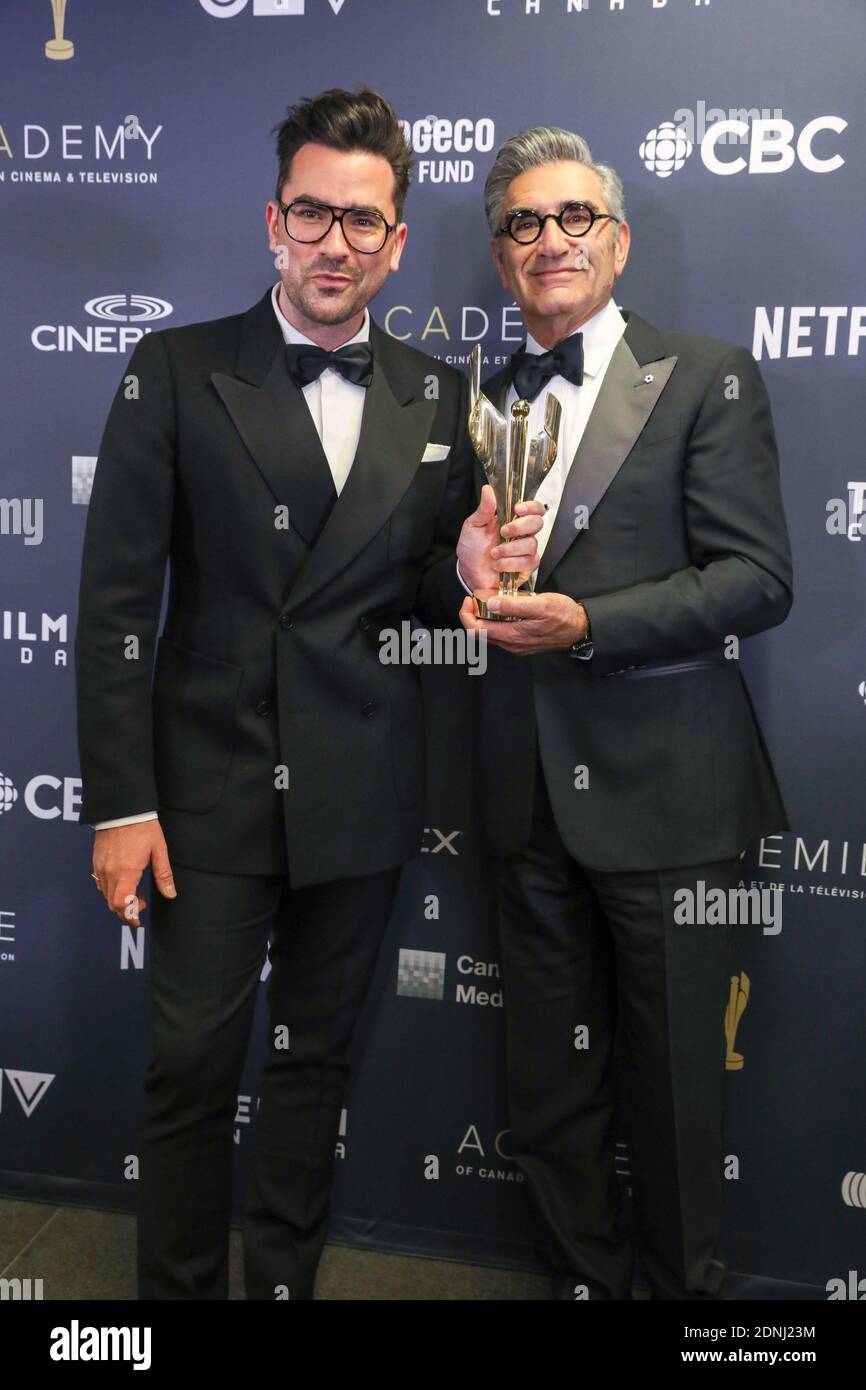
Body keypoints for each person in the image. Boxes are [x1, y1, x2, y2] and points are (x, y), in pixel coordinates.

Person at [74, 87, 539, 1301]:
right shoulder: (172, 370)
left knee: (313, 1066)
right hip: (207, 784)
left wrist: (467, 574)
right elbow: (118, 610)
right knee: (188, 1066)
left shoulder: (438, 398)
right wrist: (119, 802)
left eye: (363, 222)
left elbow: (429, 582)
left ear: (395, 239)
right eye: (312, 214)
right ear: (271, 223)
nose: (336, 242)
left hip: (358, 787)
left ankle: (278, 1281)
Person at [458, 126, 793, 1300]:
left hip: (663, 792)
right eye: (521, 225)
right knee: (549, 1093)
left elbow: (755, 579)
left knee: (670, 1093)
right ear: (500, 260)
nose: (548, 240)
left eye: (572, 217)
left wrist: (590, 625)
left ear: (617, 239)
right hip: (523, 789)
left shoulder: (705, 375)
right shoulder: (483, 400)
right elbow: (465, 582)